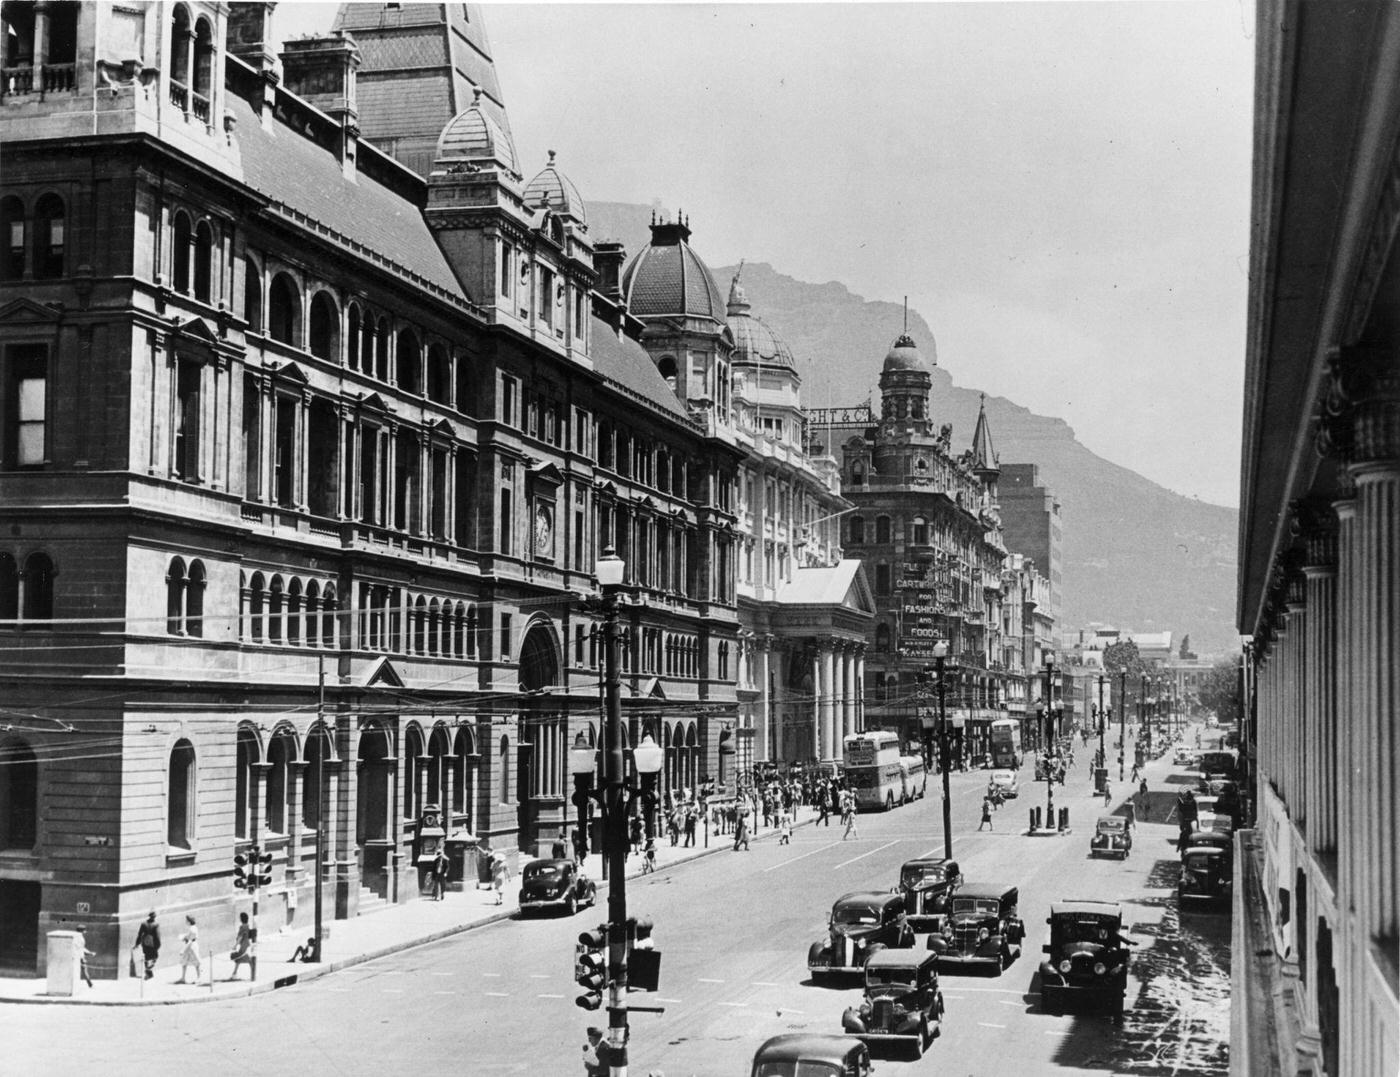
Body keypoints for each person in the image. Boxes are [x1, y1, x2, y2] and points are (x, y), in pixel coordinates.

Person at [134, 910, 161, 980]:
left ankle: (148, 972)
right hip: (153, 944)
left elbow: (139, 934)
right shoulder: (156, 924)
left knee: (146, 957)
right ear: (155, 917)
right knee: (154, 957)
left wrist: (137, 943)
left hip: (145, 943)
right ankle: (149, 971)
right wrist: (158, 945)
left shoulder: (143, 924)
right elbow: (158, 936)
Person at [228, 912, 255, 980]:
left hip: (243, 945)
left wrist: (235, 945)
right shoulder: (247, 926)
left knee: (244, 959)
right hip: (246, 944)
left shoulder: (242, 927)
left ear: (241, 919)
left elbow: (240, 937)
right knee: (239, 960)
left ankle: (253, 974)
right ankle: (234, 974)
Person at [177, 915, 201, 984]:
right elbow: (189, 937)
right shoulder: (193, 928)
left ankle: (199, 978)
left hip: (192, 947)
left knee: (196, 962)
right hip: (191, 946)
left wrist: (182, 950)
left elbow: (190, 941)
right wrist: (185, 937)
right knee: (184, 962)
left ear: (189, 922)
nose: (185, 922)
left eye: (186, 921)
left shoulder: (192, 929)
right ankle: (183, 978)